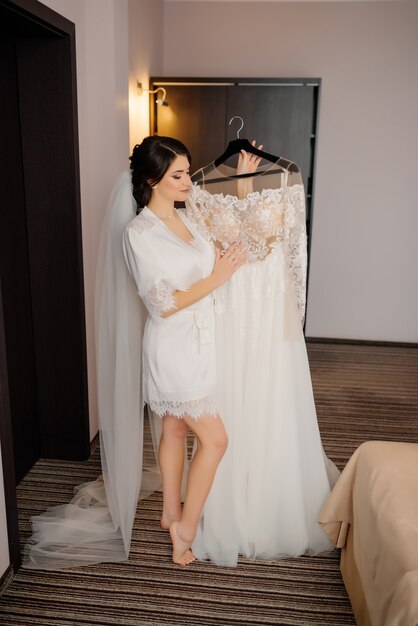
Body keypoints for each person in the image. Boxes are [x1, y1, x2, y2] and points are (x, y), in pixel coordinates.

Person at [122, 136, 247, 565]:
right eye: (177, 175)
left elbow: (214, 256)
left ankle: (169, 511)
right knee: (216, 440)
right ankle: (185, 530)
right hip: (172, 346)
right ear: (152, 179)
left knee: (175, 428)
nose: (188, 181)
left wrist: (242, 180)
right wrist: (219, 278)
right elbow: (162, 302)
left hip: (199, 341)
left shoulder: (187, 219)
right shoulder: (138, 234)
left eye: (188, 172)